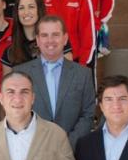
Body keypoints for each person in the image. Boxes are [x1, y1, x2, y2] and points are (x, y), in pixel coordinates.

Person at [14, 15, 95, 149]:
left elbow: (88, 114)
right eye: (45, 35)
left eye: (55, 35)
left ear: (65, 39)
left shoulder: (83, 74)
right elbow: (16, 112)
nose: (50, 40)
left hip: (73, 152)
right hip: (32, 151)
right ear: (38, 40)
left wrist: (67, 144)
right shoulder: (21, 74)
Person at [1, 0, 45, 75]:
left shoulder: (54, 42)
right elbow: (8, 86)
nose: (26, 12)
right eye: (21, 8)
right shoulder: (10, 52)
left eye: (31, 7)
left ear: (39, 10)